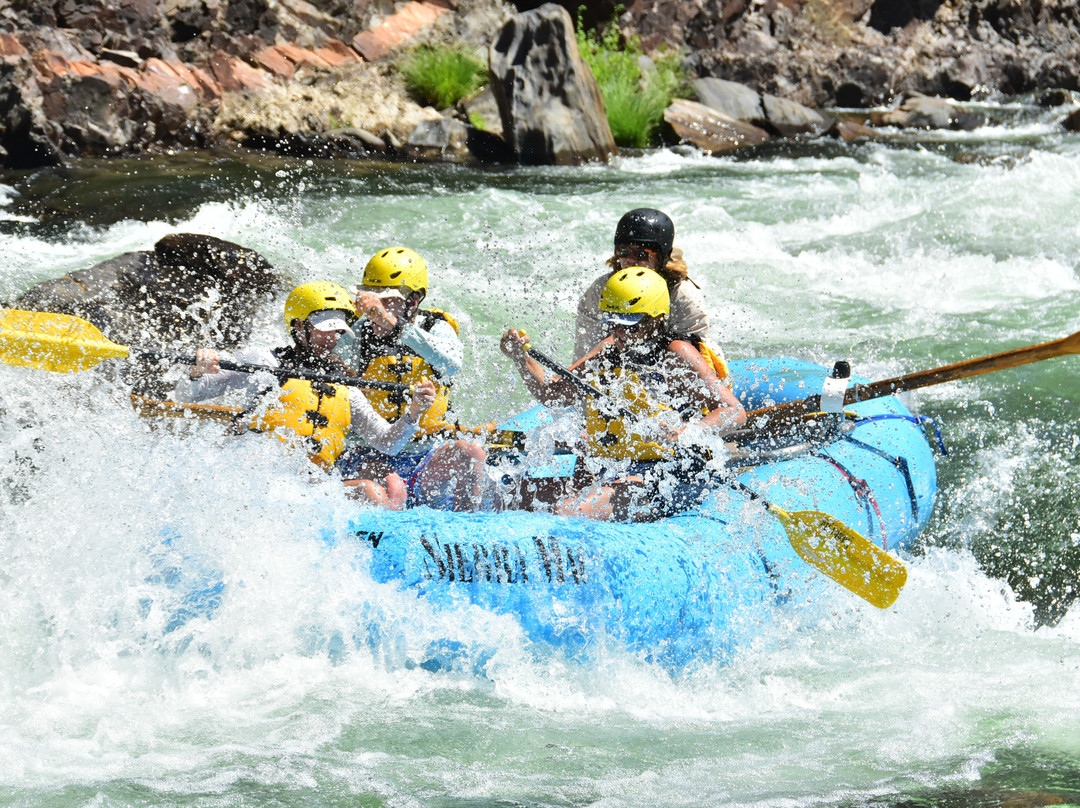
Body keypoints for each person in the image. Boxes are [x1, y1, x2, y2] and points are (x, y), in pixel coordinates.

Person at [502, 266, 746, 522]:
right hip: (611, 464)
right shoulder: (608, 350)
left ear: (655, 319)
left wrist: (685, 434)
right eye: (613, 322)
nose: (619, 332)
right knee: (517, 496)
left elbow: (734, 411)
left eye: (629, 324)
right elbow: (552, 394)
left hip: (666, 472)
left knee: (566, 511)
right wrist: (520, 357)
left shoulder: (676, 353)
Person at [177, 281, 437, 508]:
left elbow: (388, 443)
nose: (331, 338)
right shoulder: (264, 361)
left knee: (374, 493)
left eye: (337, 330)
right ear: (299, 326)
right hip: (253, 480)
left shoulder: (346, 386)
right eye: (324, 329)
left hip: (309, 490)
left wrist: (414, 412)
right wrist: (197, 371)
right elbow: (187, 395)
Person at [336, 247, 487, 512]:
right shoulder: (357, 334)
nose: (376, 310)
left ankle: (467, 528)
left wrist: (393, 324)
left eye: (386, 301)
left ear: (413, 301)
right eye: (373, 300)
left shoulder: (435, 327)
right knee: (395, 491)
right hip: (372, 451)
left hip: (427, 453)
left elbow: (451, 364)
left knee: (472, 453)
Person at [574, 208, 725, 376]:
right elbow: (584, 356)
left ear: (661, 258)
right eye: (623, 251)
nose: (630, 260)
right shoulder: (601, 290)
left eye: (641, 254)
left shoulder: (684, 297)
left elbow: (690, 363)